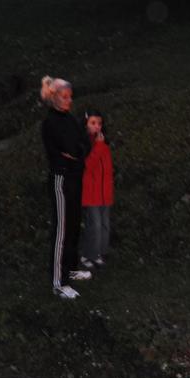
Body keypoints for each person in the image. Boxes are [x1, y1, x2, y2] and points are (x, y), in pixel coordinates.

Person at [40, 75, 92, 299]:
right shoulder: (50, 123)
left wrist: (77, 152)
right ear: (54, 98)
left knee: (73, 225)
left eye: (70, 97)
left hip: (75, 176)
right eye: (65, 97)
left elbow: (82, 146)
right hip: (61, 179)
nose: (69, 101)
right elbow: (68, 149)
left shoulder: (70, 119)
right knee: (61, 230)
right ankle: (58, 282)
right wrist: (74, 152)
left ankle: (70, 268)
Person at [79, 109, 114, 268]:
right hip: (91, 193)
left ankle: (98, 253)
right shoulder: (84, 143)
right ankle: (88, 255)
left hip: (104, 193)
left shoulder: (103, 143)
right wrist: (98, 147)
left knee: (105, 225)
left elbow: (107, 169)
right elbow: (86, 166)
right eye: (93, 123)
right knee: (95, 225)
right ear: (86, 124)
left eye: (99, 123)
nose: (97, 126)